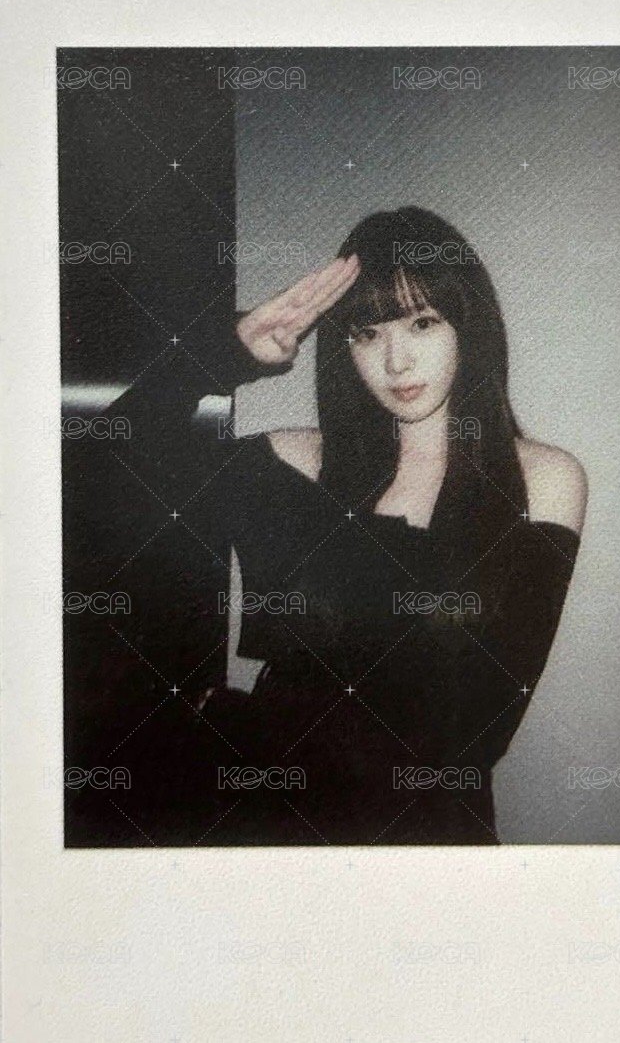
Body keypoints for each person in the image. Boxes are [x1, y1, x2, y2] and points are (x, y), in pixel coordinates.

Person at [64, 206, 587, 846]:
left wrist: (238, 720)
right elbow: (93, 469)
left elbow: (472, 731)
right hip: (265, 834)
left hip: (424, 848)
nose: (396, 361)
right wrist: (221, 356)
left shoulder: (544, 480)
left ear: (468, 326)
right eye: (367, 333)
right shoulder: (294, 464)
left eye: (422, 323)